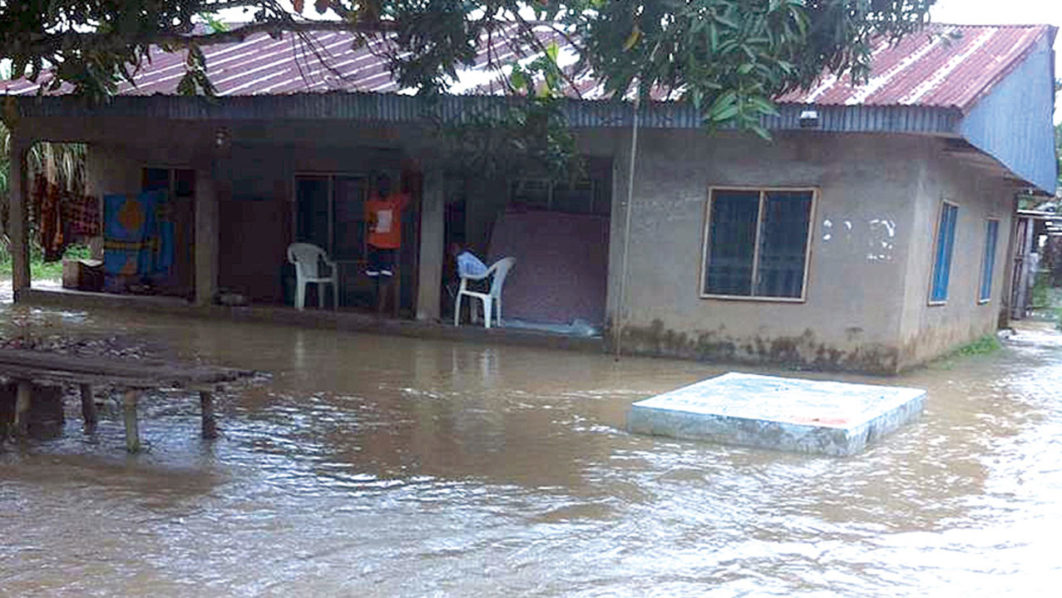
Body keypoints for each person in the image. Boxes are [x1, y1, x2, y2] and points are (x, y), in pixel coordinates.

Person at [364, 173, 410, 278]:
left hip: (390, 245)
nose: (383, 188)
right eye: (380, 185)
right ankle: (375, 294)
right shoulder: (372, 203)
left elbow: (409, 193)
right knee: (372, 275)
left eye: (385, 185)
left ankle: (384, 295)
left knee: (386, 276)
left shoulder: (396, 200)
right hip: (374, 244)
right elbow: (369, 221)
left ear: (390, 186)